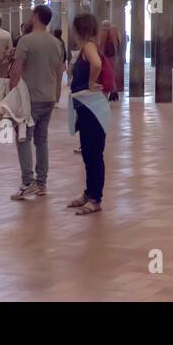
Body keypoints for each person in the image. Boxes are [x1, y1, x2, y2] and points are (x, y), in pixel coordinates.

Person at [8, 5, 65, 200]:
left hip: (29, 98)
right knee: (42, 140)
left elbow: (16, 69)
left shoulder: (26, 40)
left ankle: (27, 182)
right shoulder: (56, 43)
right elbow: (59, 71)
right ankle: (42, 183)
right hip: (48, 97)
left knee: (23, 137)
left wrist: (11, 91)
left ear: (36, 17)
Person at [68, 13, 109, 214]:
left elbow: (97, 64)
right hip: (87, 107)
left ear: (79, 29)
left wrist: (91, 82)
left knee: (93, 154)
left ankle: (95, 198)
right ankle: (89, 192)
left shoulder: (89, 46)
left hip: (93, 109)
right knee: (88, 152)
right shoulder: (88, 46)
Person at [100, 21, 122, 103]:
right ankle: (114, 92)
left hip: (107, 56)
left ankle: (112, 92)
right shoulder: (115, 32)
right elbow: (117, 45)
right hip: (113, 56)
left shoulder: (105, 32)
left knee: (107, 73)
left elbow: (101, 44)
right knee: (112, 73)